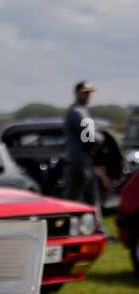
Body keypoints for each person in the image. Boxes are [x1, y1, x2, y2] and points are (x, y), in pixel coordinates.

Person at [62, 81, 101, 213]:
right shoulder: (77, 112)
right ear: (77, 93)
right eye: (85, 93)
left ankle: (95, 228)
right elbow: (91, 137)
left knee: (90, 200)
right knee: (74, 202)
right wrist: (103, 138)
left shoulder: (81, 111)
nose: (88, 96)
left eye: (89, 93)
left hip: (84, 163)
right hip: (78, 164)